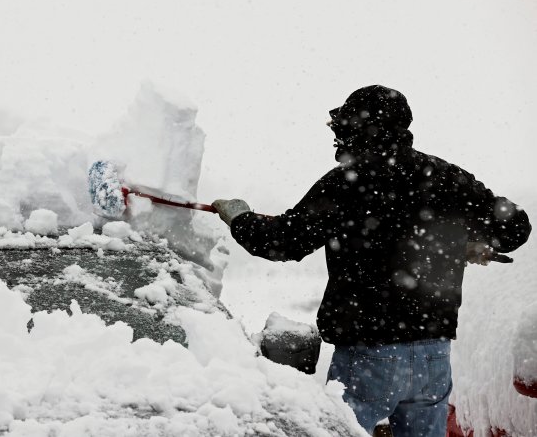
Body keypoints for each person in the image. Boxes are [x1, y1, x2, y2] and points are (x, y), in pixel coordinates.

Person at [212, 85, 531, 436]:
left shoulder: (345, 184)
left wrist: (240, 218)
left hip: (367, 356)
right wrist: (465, 241)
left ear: (353, 128)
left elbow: (283, 242)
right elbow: (515, 227)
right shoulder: (445, 177)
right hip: (432, 356)